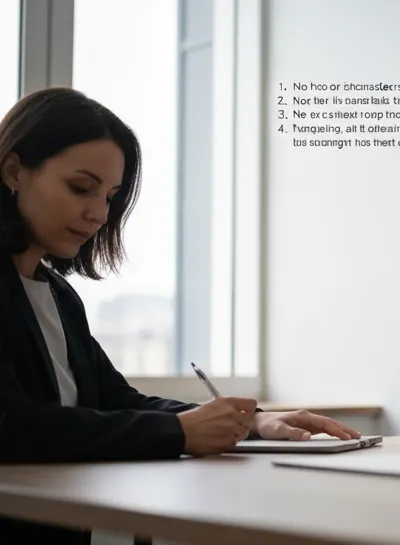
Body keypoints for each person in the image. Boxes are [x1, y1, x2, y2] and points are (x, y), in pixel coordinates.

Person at [0, 87, 364, 543]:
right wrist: (177, 431)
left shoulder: (58, 296)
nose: (99, 215)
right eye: (81, 188)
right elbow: (12, 424)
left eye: (110, 196)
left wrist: (247, 422)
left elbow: (116, 401)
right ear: (13, 171)